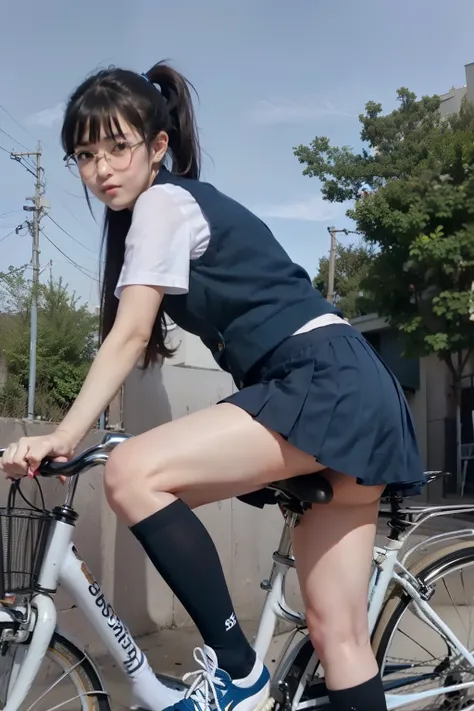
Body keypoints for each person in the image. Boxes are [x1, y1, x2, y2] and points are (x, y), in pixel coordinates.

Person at [0, 61, 425, 711]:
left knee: (132, 473)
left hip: (323, 380)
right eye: (85, 154)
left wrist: (62, 433)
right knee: (338, 634)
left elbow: (129, 334)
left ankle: (238, 672)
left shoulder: (164, 204)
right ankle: (247, 674)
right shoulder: (161, 213)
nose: (102, 168)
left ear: (158, 146)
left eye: (119, 146)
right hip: (352, 389)